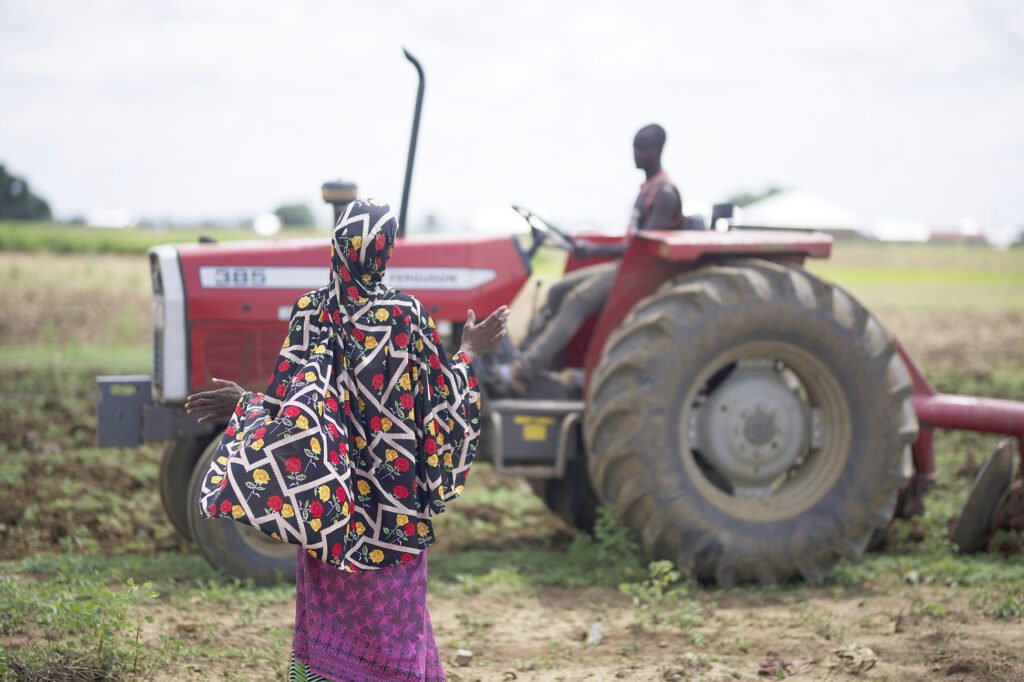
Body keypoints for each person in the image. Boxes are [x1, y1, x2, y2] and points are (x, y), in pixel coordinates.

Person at [184, 199, 509, 682]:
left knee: (331, 612)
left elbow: (294, 412)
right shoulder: (406, 317)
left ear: (337, 247)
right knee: (392, 621)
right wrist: (468, 352)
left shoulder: (309, 313)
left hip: (329, 506)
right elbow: (442, 406)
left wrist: (245, 404)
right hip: (393, 508)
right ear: (385, 253)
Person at [499, 123, 687, 392]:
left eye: (642, 148)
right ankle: (540, 359)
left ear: (657, 150)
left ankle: (522, 371)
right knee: (558, 290)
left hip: (642, 272)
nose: (636, 154)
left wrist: (593, 251)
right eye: (634, 147)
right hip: (626, 265)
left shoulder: (664, 194)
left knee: (578, 300)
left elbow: (643, 249)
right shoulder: (647, 189)